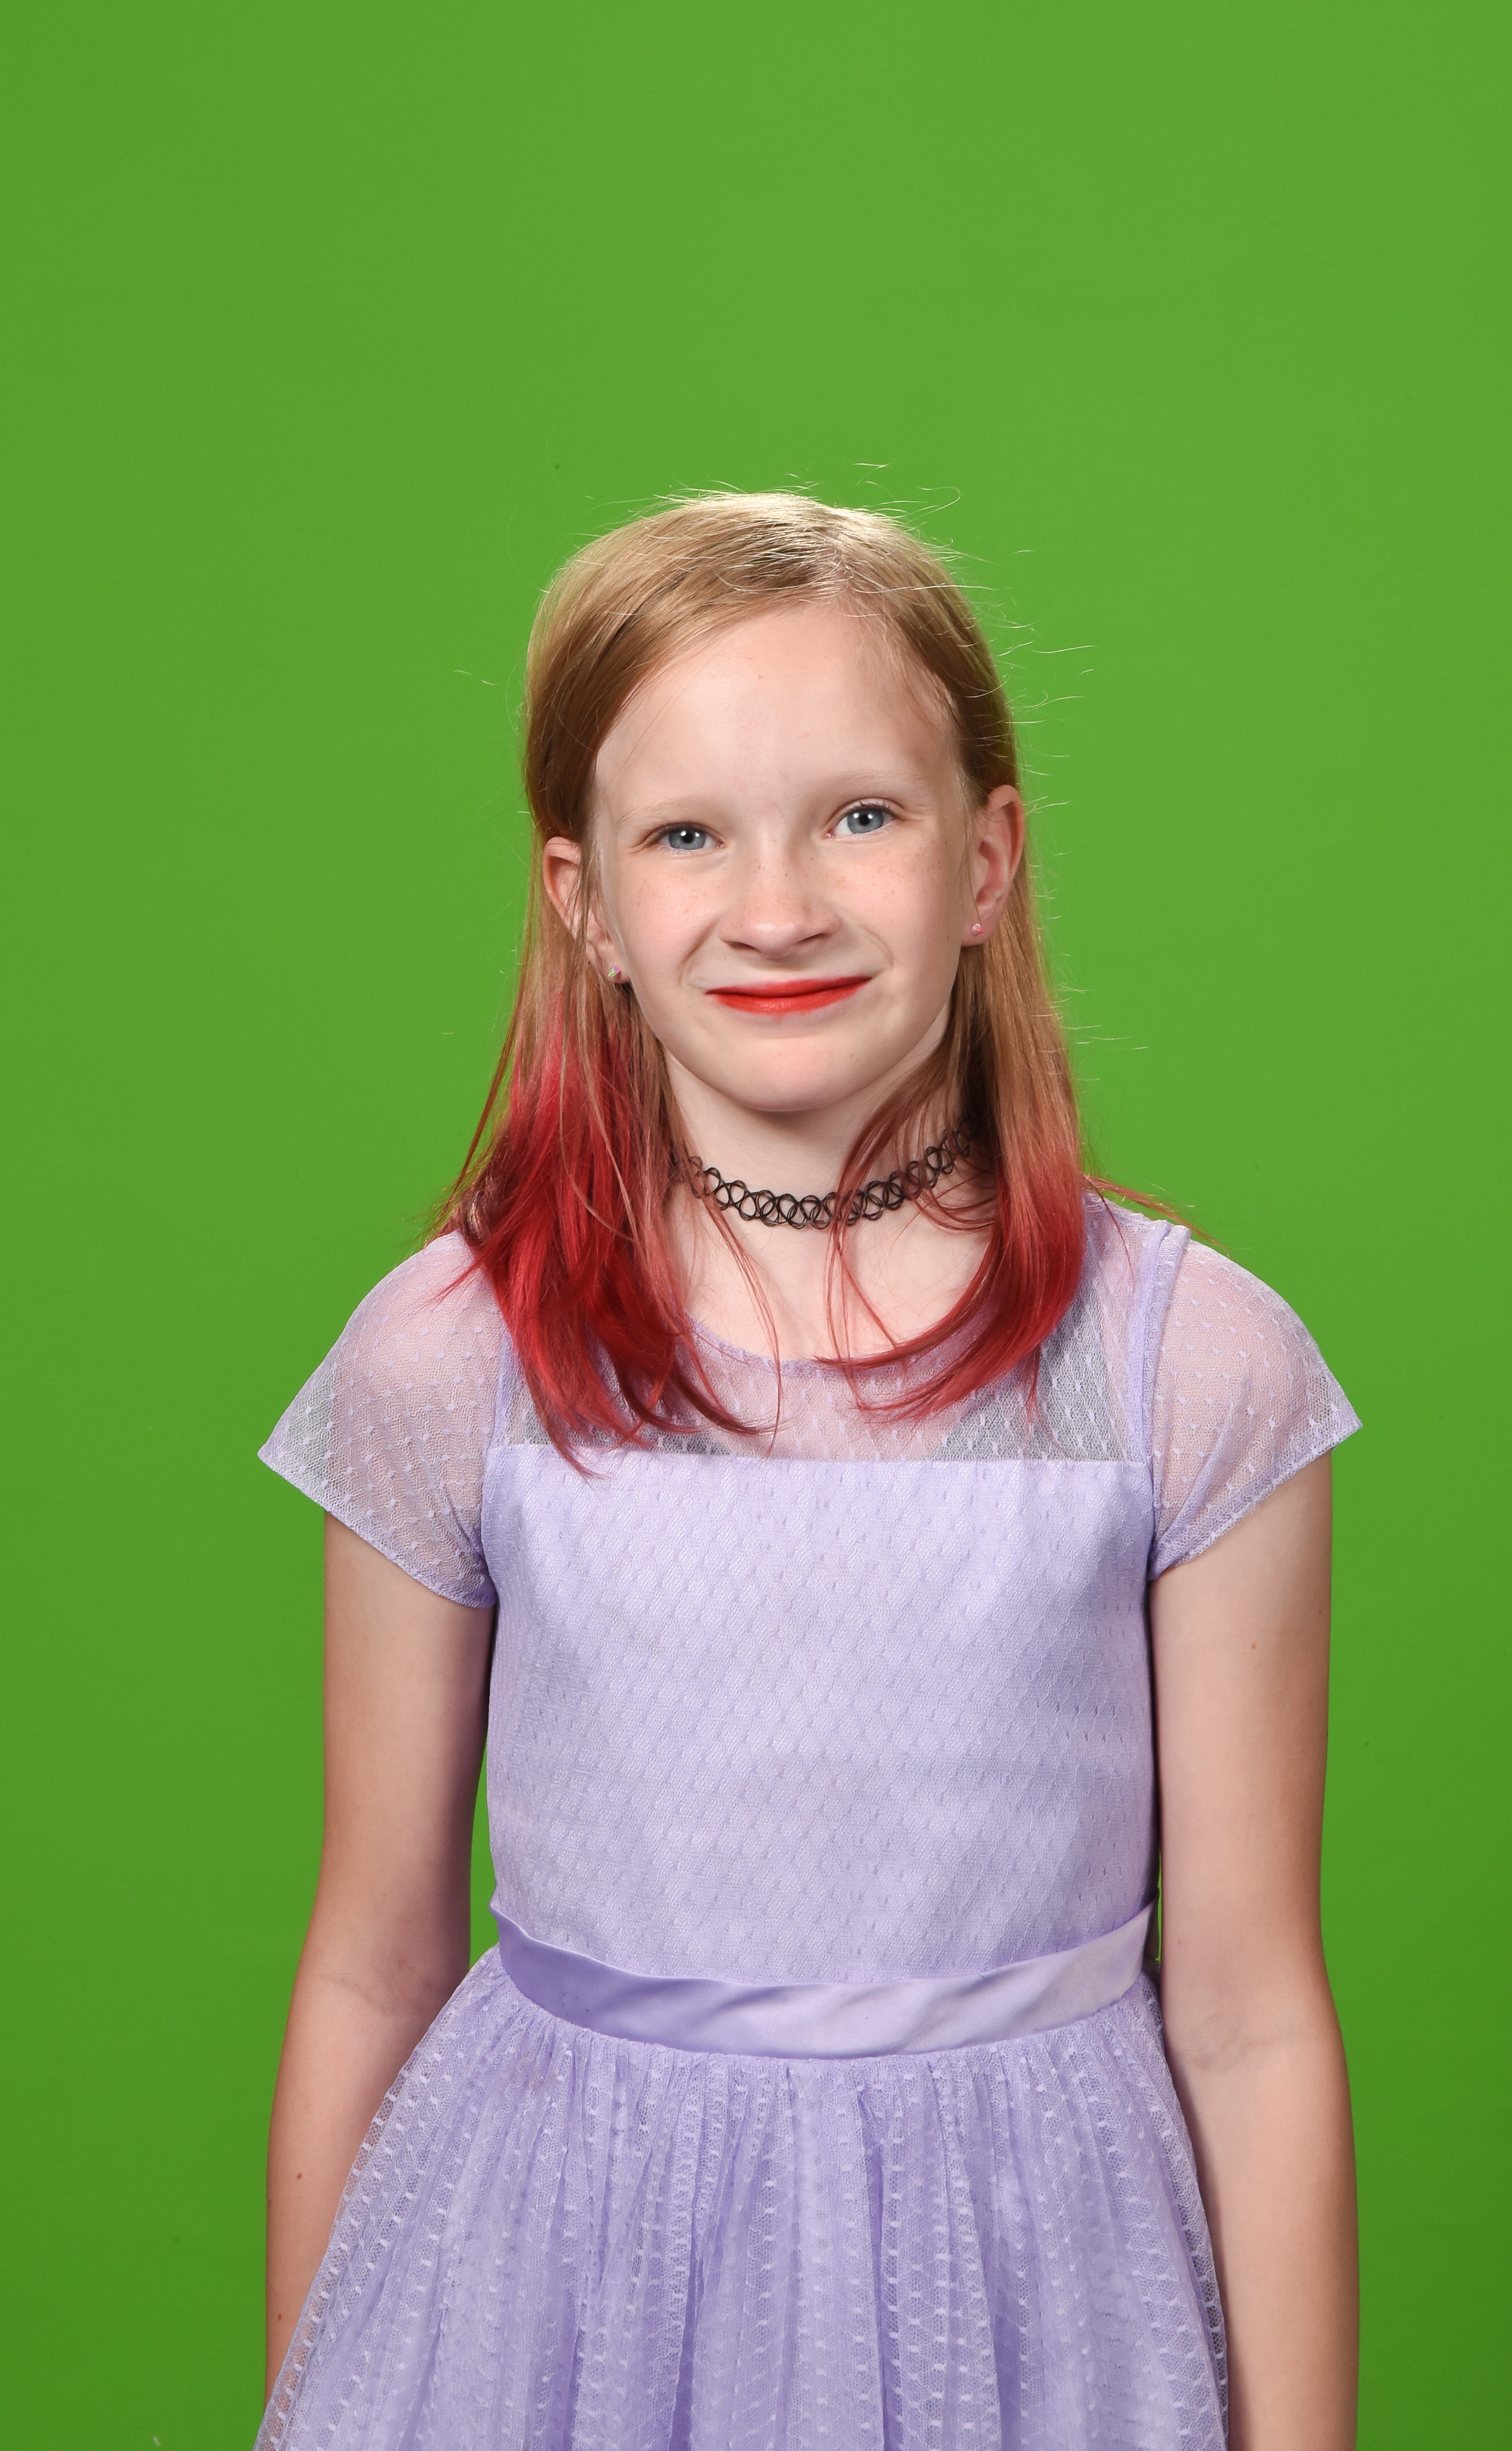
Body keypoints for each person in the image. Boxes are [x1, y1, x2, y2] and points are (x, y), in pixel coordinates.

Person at [254, 495, 1361, 2451]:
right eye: (688, 835)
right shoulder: (455, 1357)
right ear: (586, 902)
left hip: (1034, 2299)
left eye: (859, 816)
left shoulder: (1189, 1366)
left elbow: (1254, 2014)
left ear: (986, 861)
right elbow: (374, 1961)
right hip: (558, 2297)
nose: (776, 909)